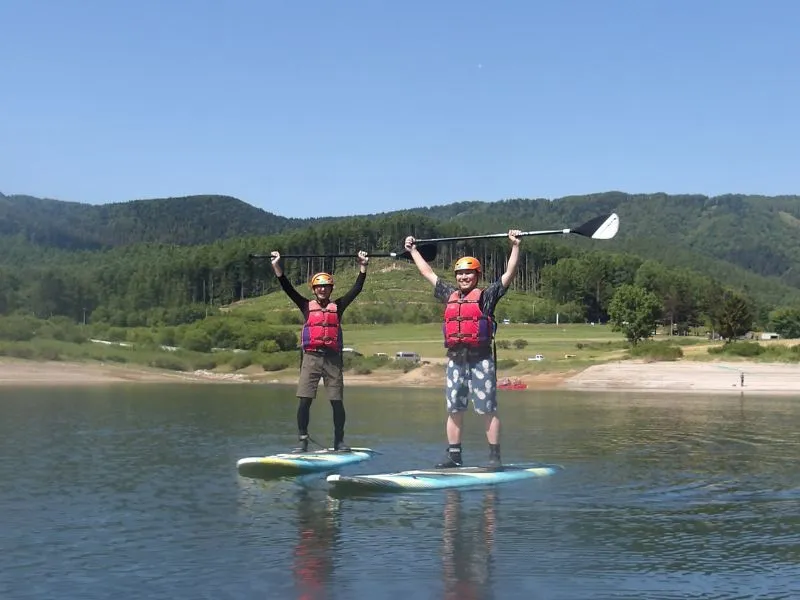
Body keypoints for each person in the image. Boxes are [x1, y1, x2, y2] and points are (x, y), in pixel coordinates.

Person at [404, 230, 521, 469]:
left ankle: (494, 457)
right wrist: (413, 250)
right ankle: (454, 456)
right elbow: (427, 272)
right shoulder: (449, 295)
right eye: (460, 273)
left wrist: (516, 246)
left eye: (468, 273)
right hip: (456, 360)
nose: (464, 277)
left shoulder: (487, 297)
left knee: (487, 407)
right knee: (454, 408)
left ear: (476, 275)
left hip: (481, 359)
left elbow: (509, 273)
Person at [270, 250, 369, 452]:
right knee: (305, 400)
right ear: (314, 290)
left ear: (331, 289)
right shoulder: (306, 305)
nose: (322, 290)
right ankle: (302, 441)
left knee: (336, 402)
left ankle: (339, 442)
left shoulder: (338, 306)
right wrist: (277, 266)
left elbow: (356, 289)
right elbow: (287, 287)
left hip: (332, 360)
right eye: (319, 287)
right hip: (311, 358)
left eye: (326, 287)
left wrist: (363, 266)